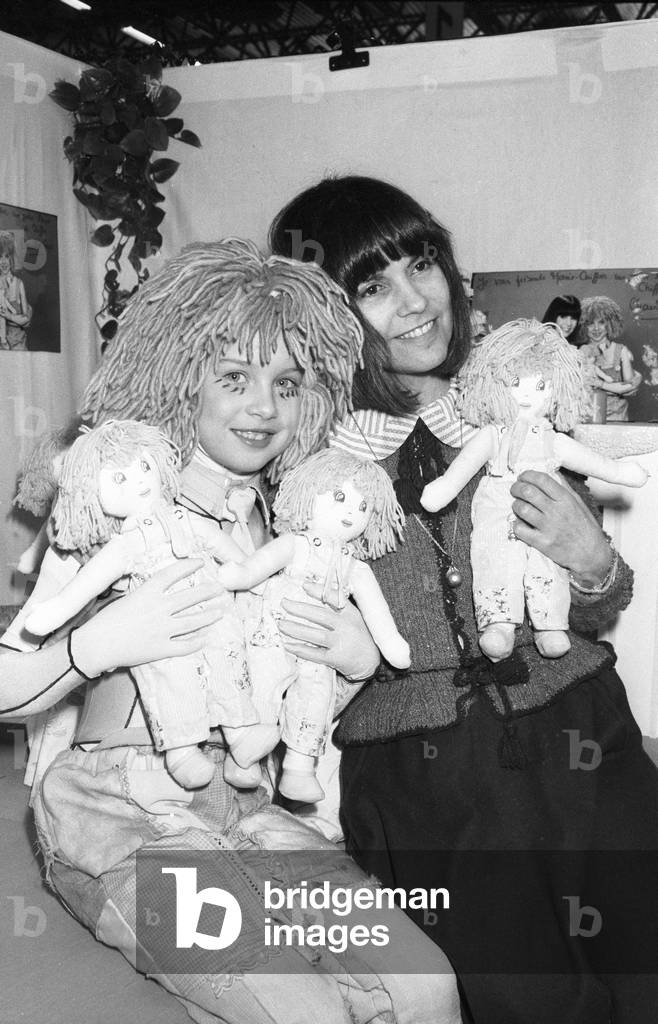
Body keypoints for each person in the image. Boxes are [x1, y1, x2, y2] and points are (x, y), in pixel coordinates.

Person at [0, 239, 461, 1024]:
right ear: (182, 381)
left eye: (286, 384)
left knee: (427, 986)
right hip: (115, 812)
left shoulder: (296, 524)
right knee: (300, 1010)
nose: (264, 408)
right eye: (235, 379)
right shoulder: (119, 501)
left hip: (247, 809)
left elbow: (302, 702)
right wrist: (97, 645)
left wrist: (351, 661)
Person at [269, 174, 658, 1024]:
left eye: (422, 263)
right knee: (524, 996)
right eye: (372, 285)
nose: (415, 302)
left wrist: (594, 562)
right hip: (425, 767)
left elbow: (591, 606)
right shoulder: (309, 462)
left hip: (581, 724)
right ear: (325, 313)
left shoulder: (514, 408)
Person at [579, 295, 637, 421]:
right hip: (588, 417)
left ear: (610, 324)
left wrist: (601, 384)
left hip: (618, 418)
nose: (596, 328)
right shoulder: (579, 353)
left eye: (601, 322)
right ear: (583, 326)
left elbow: (630, 385)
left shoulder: (621, 350)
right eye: (590, 323)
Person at [0, 233, 31, 350]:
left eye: (7, 256)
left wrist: (8, 316)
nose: (3, 261)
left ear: (12, 258)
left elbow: (26, 319)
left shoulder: (19, 284)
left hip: (18, 343)